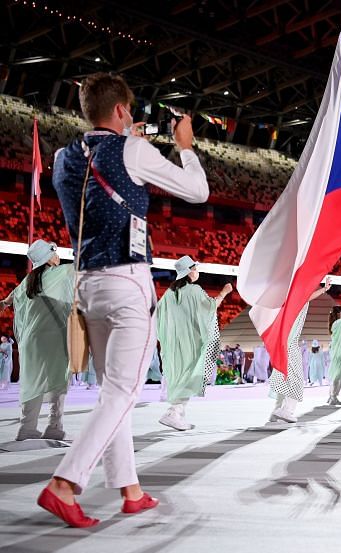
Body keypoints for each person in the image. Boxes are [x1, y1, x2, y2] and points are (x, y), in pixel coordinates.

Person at [41, 72, 208, 527]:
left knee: (110, 393)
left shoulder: (61, 158)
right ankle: (65, 482)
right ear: (120, 110)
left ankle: (130, 489)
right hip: (127, 279)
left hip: (86, 280)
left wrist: (125, 144)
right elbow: (198, 192)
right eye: (129, 110)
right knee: (123, 392)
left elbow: (96, 184)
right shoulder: (132, 149)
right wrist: (186, 146)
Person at [0, 240, 73, 440]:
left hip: (30, 341)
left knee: (32, 381)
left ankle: (27, 427)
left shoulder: (28, 280)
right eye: (54, 252)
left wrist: (4, 304)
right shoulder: (62, 273)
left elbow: (8, 300)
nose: (58, 255)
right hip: (54, 338)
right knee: (57, 380)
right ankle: (54, 426)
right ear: (48, 258)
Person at [156, 256, 233, 431]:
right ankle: (173, 413)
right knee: (191, 377)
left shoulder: (168, 294)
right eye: (195, 269)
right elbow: (211, 307)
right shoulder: (195, 290)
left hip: (173, 345)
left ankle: (177, 414)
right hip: (190, 344)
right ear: (189, 271)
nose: (197, 272)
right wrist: (224, 292)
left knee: (181, 378)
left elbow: (158, 319)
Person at [269, 278, 332, 423]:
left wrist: (323, 289)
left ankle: (280, 409)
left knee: (285, 378)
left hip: (284, 344)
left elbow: (307, 297)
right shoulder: (294, 301)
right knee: (296, 379)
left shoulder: (288, 301)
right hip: (289, 345)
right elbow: (306, 297)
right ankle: (286, 411)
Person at [326, 305, 341, 406]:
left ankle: (331, 396)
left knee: (337, 374)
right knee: (338, 375)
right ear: (339, 313)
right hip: (339, 351)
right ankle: (333, 396)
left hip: (337, 351)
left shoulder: (336, 323)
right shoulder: (338, 323)